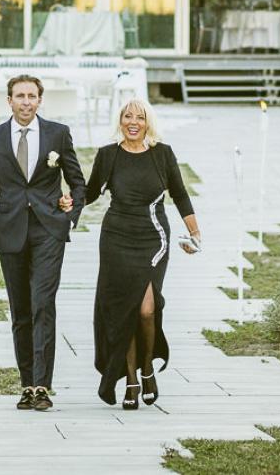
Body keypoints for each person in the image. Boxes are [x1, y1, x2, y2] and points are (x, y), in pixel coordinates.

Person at [0, 75, 86, 412]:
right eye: (20, 96)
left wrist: (70, 215)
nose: (26, 102)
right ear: (9, 100)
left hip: (48, 231)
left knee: (42, 304)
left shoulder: (58, 134)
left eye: (32, 96)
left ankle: (42, 386)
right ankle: (26, 385)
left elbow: (78, 183)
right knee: (21, 311)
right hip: (10, 233)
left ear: (40, 100)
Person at [82, 99, 200, 410]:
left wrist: (195, 232)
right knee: (124, 312)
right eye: (127, 116)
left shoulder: (163, 154)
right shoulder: (108, 155)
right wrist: (66, 201)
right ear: (120, 120)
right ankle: (132, 379)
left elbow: (180, 194)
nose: (133, 122)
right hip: (115, 241)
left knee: (146, 309)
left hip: (152, 239)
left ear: (149, 123)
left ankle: (147, 367)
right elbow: (90, 192)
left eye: (140, 117)